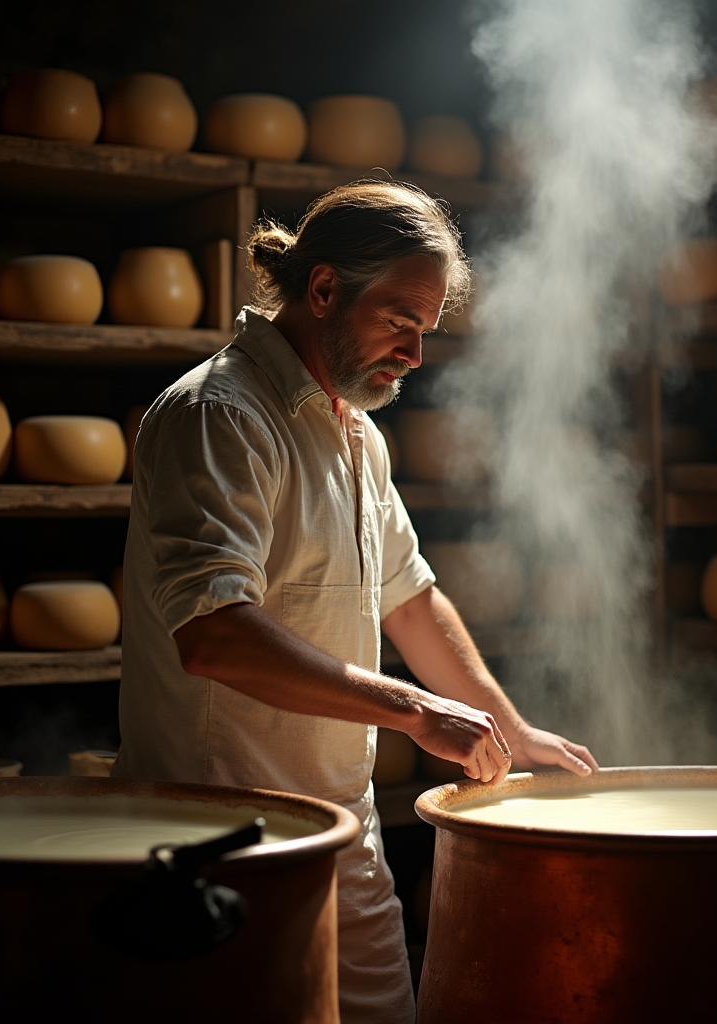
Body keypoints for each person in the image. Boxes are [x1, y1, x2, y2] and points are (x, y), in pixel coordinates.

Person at [112, 181, 598, 1024]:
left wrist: (506, 728)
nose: (414, 354)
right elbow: (215, 636)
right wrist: (415, 710)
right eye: (400, 320)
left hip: (343, 831)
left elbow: (411, 600)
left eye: (426, 330)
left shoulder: (354, 432)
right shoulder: (219, 416)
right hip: (221, 839)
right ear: (325, 289)